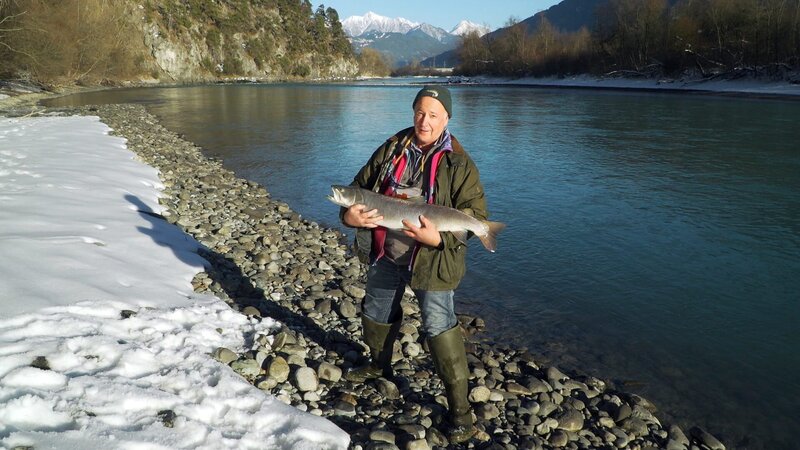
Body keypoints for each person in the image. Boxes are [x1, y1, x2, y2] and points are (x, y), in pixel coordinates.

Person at [339, 85, 491, 443]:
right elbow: (357, 188)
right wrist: (350, 218)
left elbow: (475, 216)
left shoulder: (459, 163)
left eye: (433, 115)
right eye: (419, 113)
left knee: (439, 324)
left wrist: (438, 239)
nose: (424, 122)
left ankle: (460, 412)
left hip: (433, 260)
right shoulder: (392, 149)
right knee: (376, 309)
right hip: (385, 252)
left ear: (446, 119)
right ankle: (378, 365)